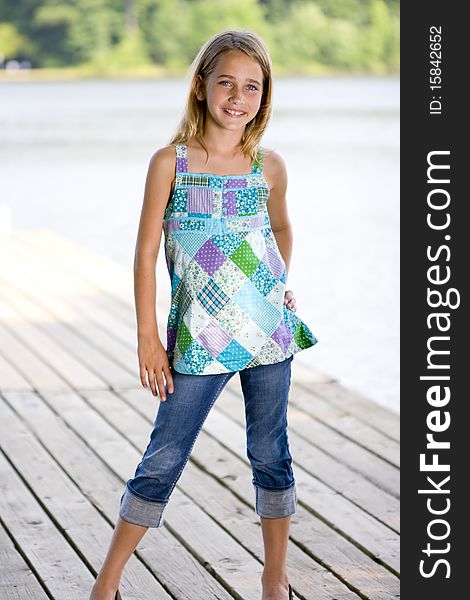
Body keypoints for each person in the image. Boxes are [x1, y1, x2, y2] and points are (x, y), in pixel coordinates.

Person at [90, 29, 318, 600]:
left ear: (263, 98)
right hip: (198, 339)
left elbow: (282, 230)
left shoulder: (269, 166)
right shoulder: (172, 163)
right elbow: (145, 251)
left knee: (271, 453)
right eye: (226, 83)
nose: (237, 97)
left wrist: (275, 284)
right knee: (163, 456)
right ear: (200, 87)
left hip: (268, 334)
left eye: (252, 88)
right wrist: (147, 338)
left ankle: (274, 578)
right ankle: (108, 583)